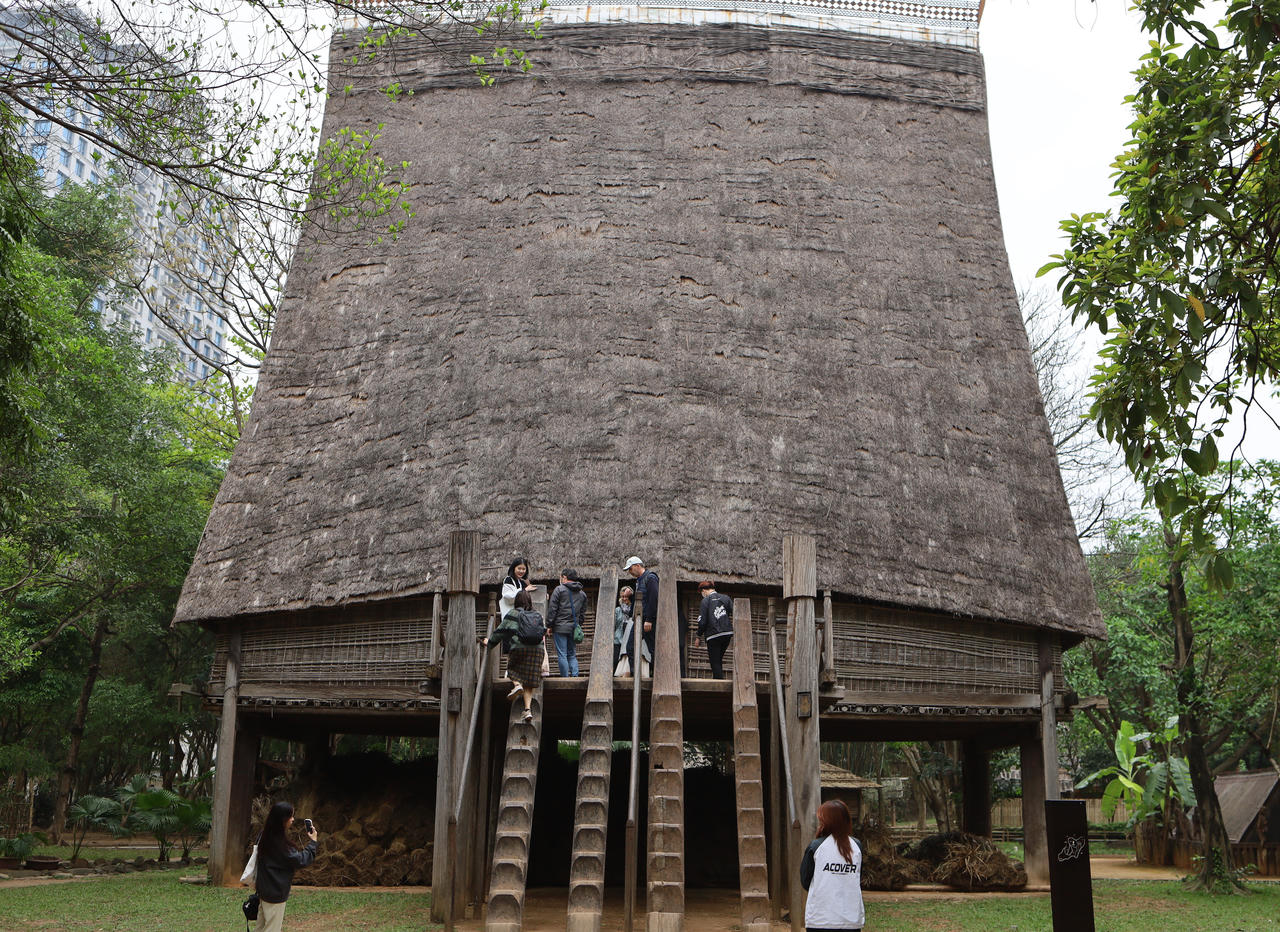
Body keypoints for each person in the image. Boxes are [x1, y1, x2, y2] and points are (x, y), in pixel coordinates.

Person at [800, 799, 864, 932]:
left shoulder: (816, 846)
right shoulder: (857, 846)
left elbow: (805, 880)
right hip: (851, 920)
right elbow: (858, 878)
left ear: (827, 822)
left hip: (820, 920)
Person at [254, 800, 318, 932]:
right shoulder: (281, 844)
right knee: (272, 929)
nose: (293, 819)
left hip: (264, 890)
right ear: (282, 819)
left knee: (260, 928)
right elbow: (300, 860)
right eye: (291, 816)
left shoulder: (264, 835)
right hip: (275, 893)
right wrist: (313, 843)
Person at [484, 588, 542, 722]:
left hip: (519, 648)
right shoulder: (536, 615)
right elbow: (542, 632)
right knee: (529, 682)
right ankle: (527, 710)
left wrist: (490, 643)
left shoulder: (512, 614)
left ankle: (517, 685)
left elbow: (500, 632)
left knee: (512, 669)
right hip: (537, 650)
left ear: (517, 601)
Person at [546, 568, 587, 676]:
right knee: (572, 655)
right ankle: (575, 676)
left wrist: (549, 625)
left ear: (564, 577)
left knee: (562, 654)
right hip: (573, 627)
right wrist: (578, 625)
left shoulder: (559, 590)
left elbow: (552, 610)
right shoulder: (582, 594)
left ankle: (565, 677)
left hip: (559, 627)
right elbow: (582, 614)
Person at [623, 556, 659, 669]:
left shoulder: (650, 578)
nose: (629, 572)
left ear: (637, 566)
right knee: (630, 647)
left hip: (646, 619)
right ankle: (635, 674)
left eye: (630, 569)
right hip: (639, 618)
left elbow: (654, 599)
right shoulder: (639, 580)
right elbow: (641, 599)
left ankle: (656, 675)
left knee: (653, 649)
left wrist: (649, 619)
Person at [695, 580, 733, 679]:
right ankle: (719, 679)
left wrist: (698, 635)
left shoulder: (705, 601)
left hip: (713, 635)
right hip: (727, 633)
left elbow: (702, 622)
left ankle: (719, 684)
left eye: (701, 593)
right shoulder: (726, 598)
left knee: (714, 661)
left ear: (703, 591)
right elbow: (732, 611)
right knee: (718, 659)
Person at [613, 586, 633, 671]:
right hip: (618, 638)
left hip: (629, 638)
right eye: (623, 597)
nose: (624, 599)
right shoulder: (617, 610)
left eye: (626, 597)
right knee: (616, 660)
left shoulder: (633, 609)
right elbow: (614, 625)